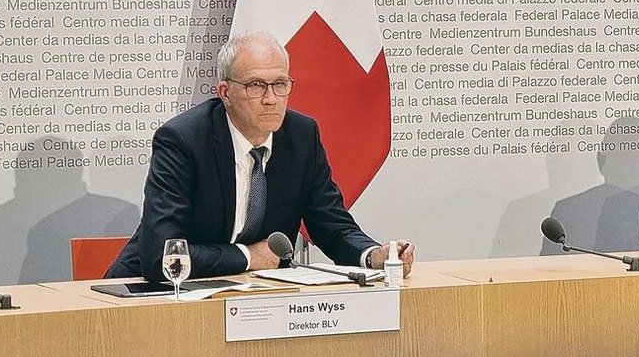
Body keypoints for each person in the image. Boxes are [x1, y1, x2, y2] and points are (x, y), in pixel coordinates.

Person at [107, 31, 413, 281]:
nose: (271, 99)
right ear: (225, 93)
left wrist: (374, 255)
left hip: (248, 294)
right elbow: (164, 254)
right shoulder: (183, 140)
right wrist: (250, 256)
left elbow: (332, 225)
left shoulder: (302, 136)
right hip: (150, 292)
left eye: (280, 84)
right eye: (256, 85)